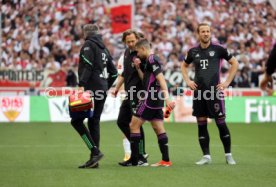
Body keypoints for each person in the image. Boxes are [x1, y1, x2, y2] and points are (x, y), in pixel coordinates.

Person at [181, 23, 238, 165]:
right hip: (199, 93)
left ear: (210, 33)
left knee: (221, 123)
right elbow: (184, 65)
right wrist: (187, 80)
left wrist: (226, 82)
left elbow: (234, 63)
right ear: (198, 34)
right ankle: (206, 156)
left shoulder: (219, 49)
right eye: (203, 31)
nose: (206, 34)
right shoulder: (193, 51)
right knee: (201, 124)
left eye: (208, 31)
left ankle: (228, 155)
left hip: (215, 93)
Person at [119, 38, 175, 167]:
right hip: (157, 99)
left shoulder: (151, 59)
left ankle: (136, 160)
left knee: (133, 125)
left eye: (138, 51)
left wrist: (168, 99)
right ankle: (166, 160)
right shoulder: (148, 62)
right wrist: (138, 68)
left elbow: (161, 79)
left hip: (149, 97)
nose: (137, 54)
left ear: (143, 49)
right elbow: (146, 79)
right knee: (158, 127)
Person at [71, 24, 117, 168]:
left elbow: (88, 66)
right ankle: (94, 160)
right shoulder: (104, 49)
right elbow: (114, 72)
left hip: (90, 89)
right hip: (101, 89)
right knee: (94, 122)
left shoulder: (88, 45)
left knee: (76, 121)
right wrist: (105, 86)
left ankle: (95, 151)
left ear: (86, 33)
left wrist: (81, 85)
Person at [113, 29, 148, 165]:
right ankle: (137, 154)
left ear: (137, 39)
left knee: (136, 125)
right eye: (128, 42)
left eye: (133, 41)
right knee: (122, 122)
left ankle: (140, 156)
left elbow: (145, 78)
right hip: (129, 94)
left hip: (139, 94)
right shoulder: (127, 53)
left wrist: (139, 67)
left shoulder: (142, 54)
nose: (131, 44)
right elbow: (123, 73)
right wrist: (116, 88)